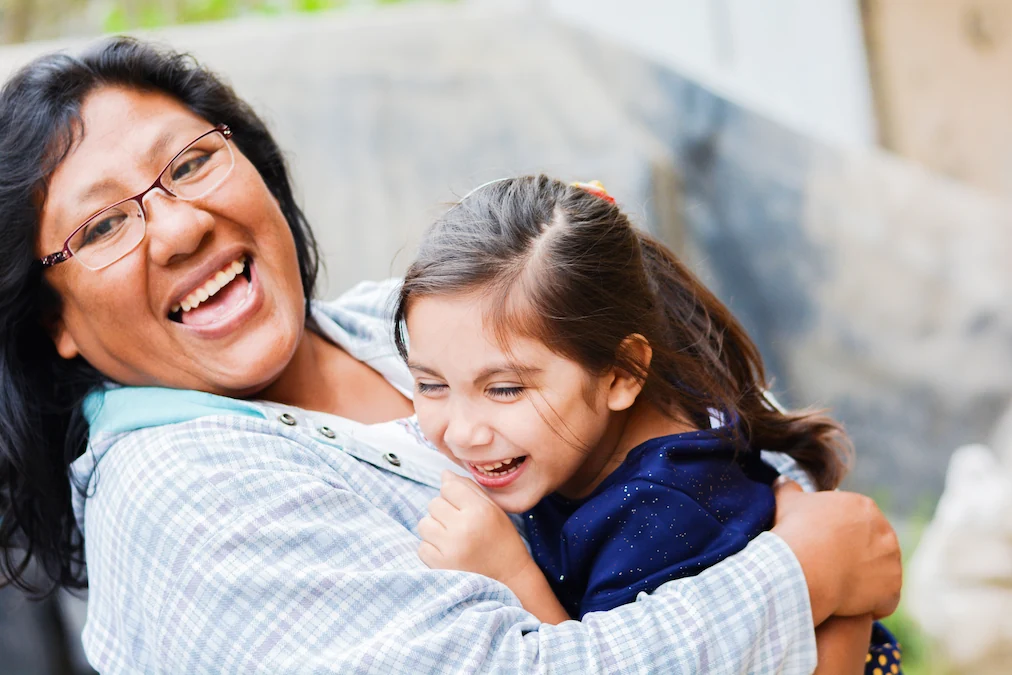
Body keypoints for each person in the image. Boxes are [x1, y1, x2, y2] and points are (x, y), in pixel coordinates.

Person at [0, 37, 901, 674]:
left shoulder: (394, 320)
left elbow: (728, 427)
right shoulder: (182, 496)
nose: (183, 224)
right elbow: (823, 538)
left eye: (191, 163)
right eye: (106, 224)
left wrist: (804, 534)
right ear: (56, 323)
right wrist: (803, 579)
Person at [396, 175, 902, 674]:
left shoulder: (660, 514)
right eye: (431, 385)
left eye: (505, 389)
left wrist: (512, 573)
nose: (462, 432)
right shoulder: (634, 419)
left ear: (622, 373)